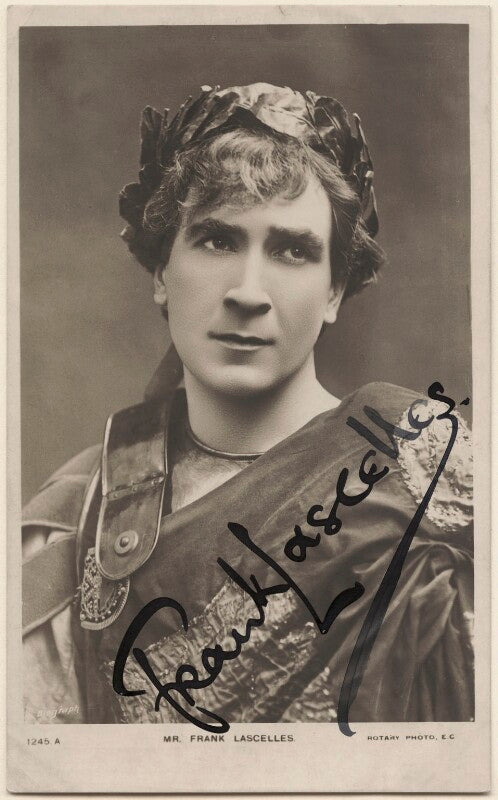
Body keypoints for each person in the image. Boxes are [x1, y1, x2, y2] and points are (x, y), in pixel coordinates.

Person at [22, 83, 473, 728]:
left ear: (335, 290)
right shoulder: (75, 518)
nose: (248, 292)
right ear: (162, 272)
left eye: (292, 250)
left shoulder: (427, 477)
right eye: (217, 240)